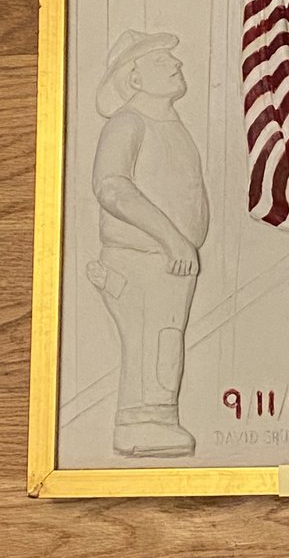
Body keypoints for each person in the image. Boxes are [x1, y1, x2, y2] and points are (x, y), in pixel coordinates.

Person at [89, 30, 209, 458]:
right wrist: (172, 239)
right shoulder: (128, 123)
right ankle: (138, 425)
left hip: (171, 264)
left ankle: (160, 419)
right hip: (140, 259)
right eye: (161, 61)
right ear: (135, 78)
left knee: (165, 338)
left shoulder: (169, 124)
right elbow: (112, 187)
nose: (176, 64)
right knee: (149, 339)